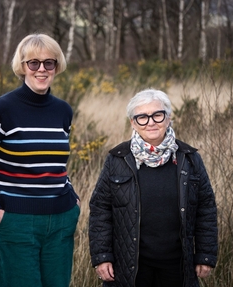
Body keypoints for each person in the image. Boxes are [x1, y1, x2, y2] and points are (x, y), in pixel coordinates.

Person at [0, 33, 80, 287]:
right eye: (33, 63)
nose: (41, 69)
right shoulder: (0, 110)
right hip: (16, 222)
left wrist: (72, 196)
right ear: (22, 66)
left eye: (48, 63)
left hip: (61, 221)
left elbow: (56, 162)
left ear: (56, 66)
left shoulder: (63, 111)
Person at [88, 88, 218, 287]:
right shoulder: (117, 159)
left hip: (178, 265)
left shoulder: (189, 158)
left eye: (157, 115)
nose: (150, 122)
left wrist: (205, 254)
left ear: (168, 118)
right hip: (130, 266)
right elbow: (100, 209)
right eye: (142, 117)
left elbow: (206, 208)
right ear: (133, 122)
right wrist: (102, 256)